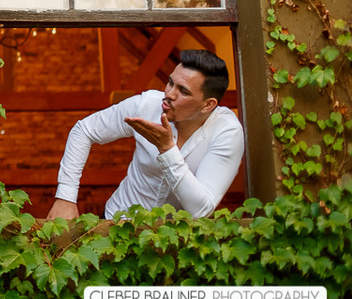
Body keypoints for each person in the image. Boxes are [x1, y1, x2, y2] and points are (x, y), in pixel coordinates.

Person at [46, 49, 244, 220]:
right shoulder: (147, 105)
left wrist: (167, 150)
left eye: (183, 91)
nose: (169, 94)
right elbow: (84, 130)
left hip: (174, 241)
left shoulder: (226, 131)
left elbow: (201, 209)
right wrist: (65, 196)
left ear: (208, 104)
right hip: (117, 221)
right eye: (170, 82)